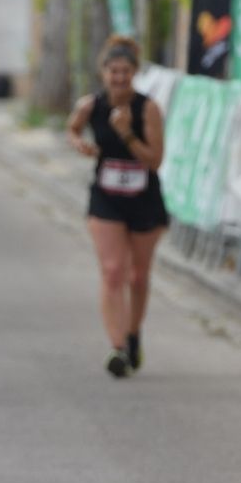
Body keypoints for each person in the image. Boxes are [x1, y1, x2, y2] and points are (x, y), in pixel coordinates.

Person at [66, 35, 168, 377]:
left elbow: (155, 160)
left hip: (144, 199)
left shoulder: (147, 109)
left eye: (125, 72)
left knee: (138, 277)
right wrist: (79, 143)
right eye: (113, 72)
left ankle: (133, 332)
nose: (119, 78)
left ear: (135, 73)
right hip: (106, 197)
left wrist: (126, 134)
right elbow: (73, 128)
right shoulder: (90, 105)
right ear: (103, 73)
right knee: (112, 272)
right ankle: (118, 348)